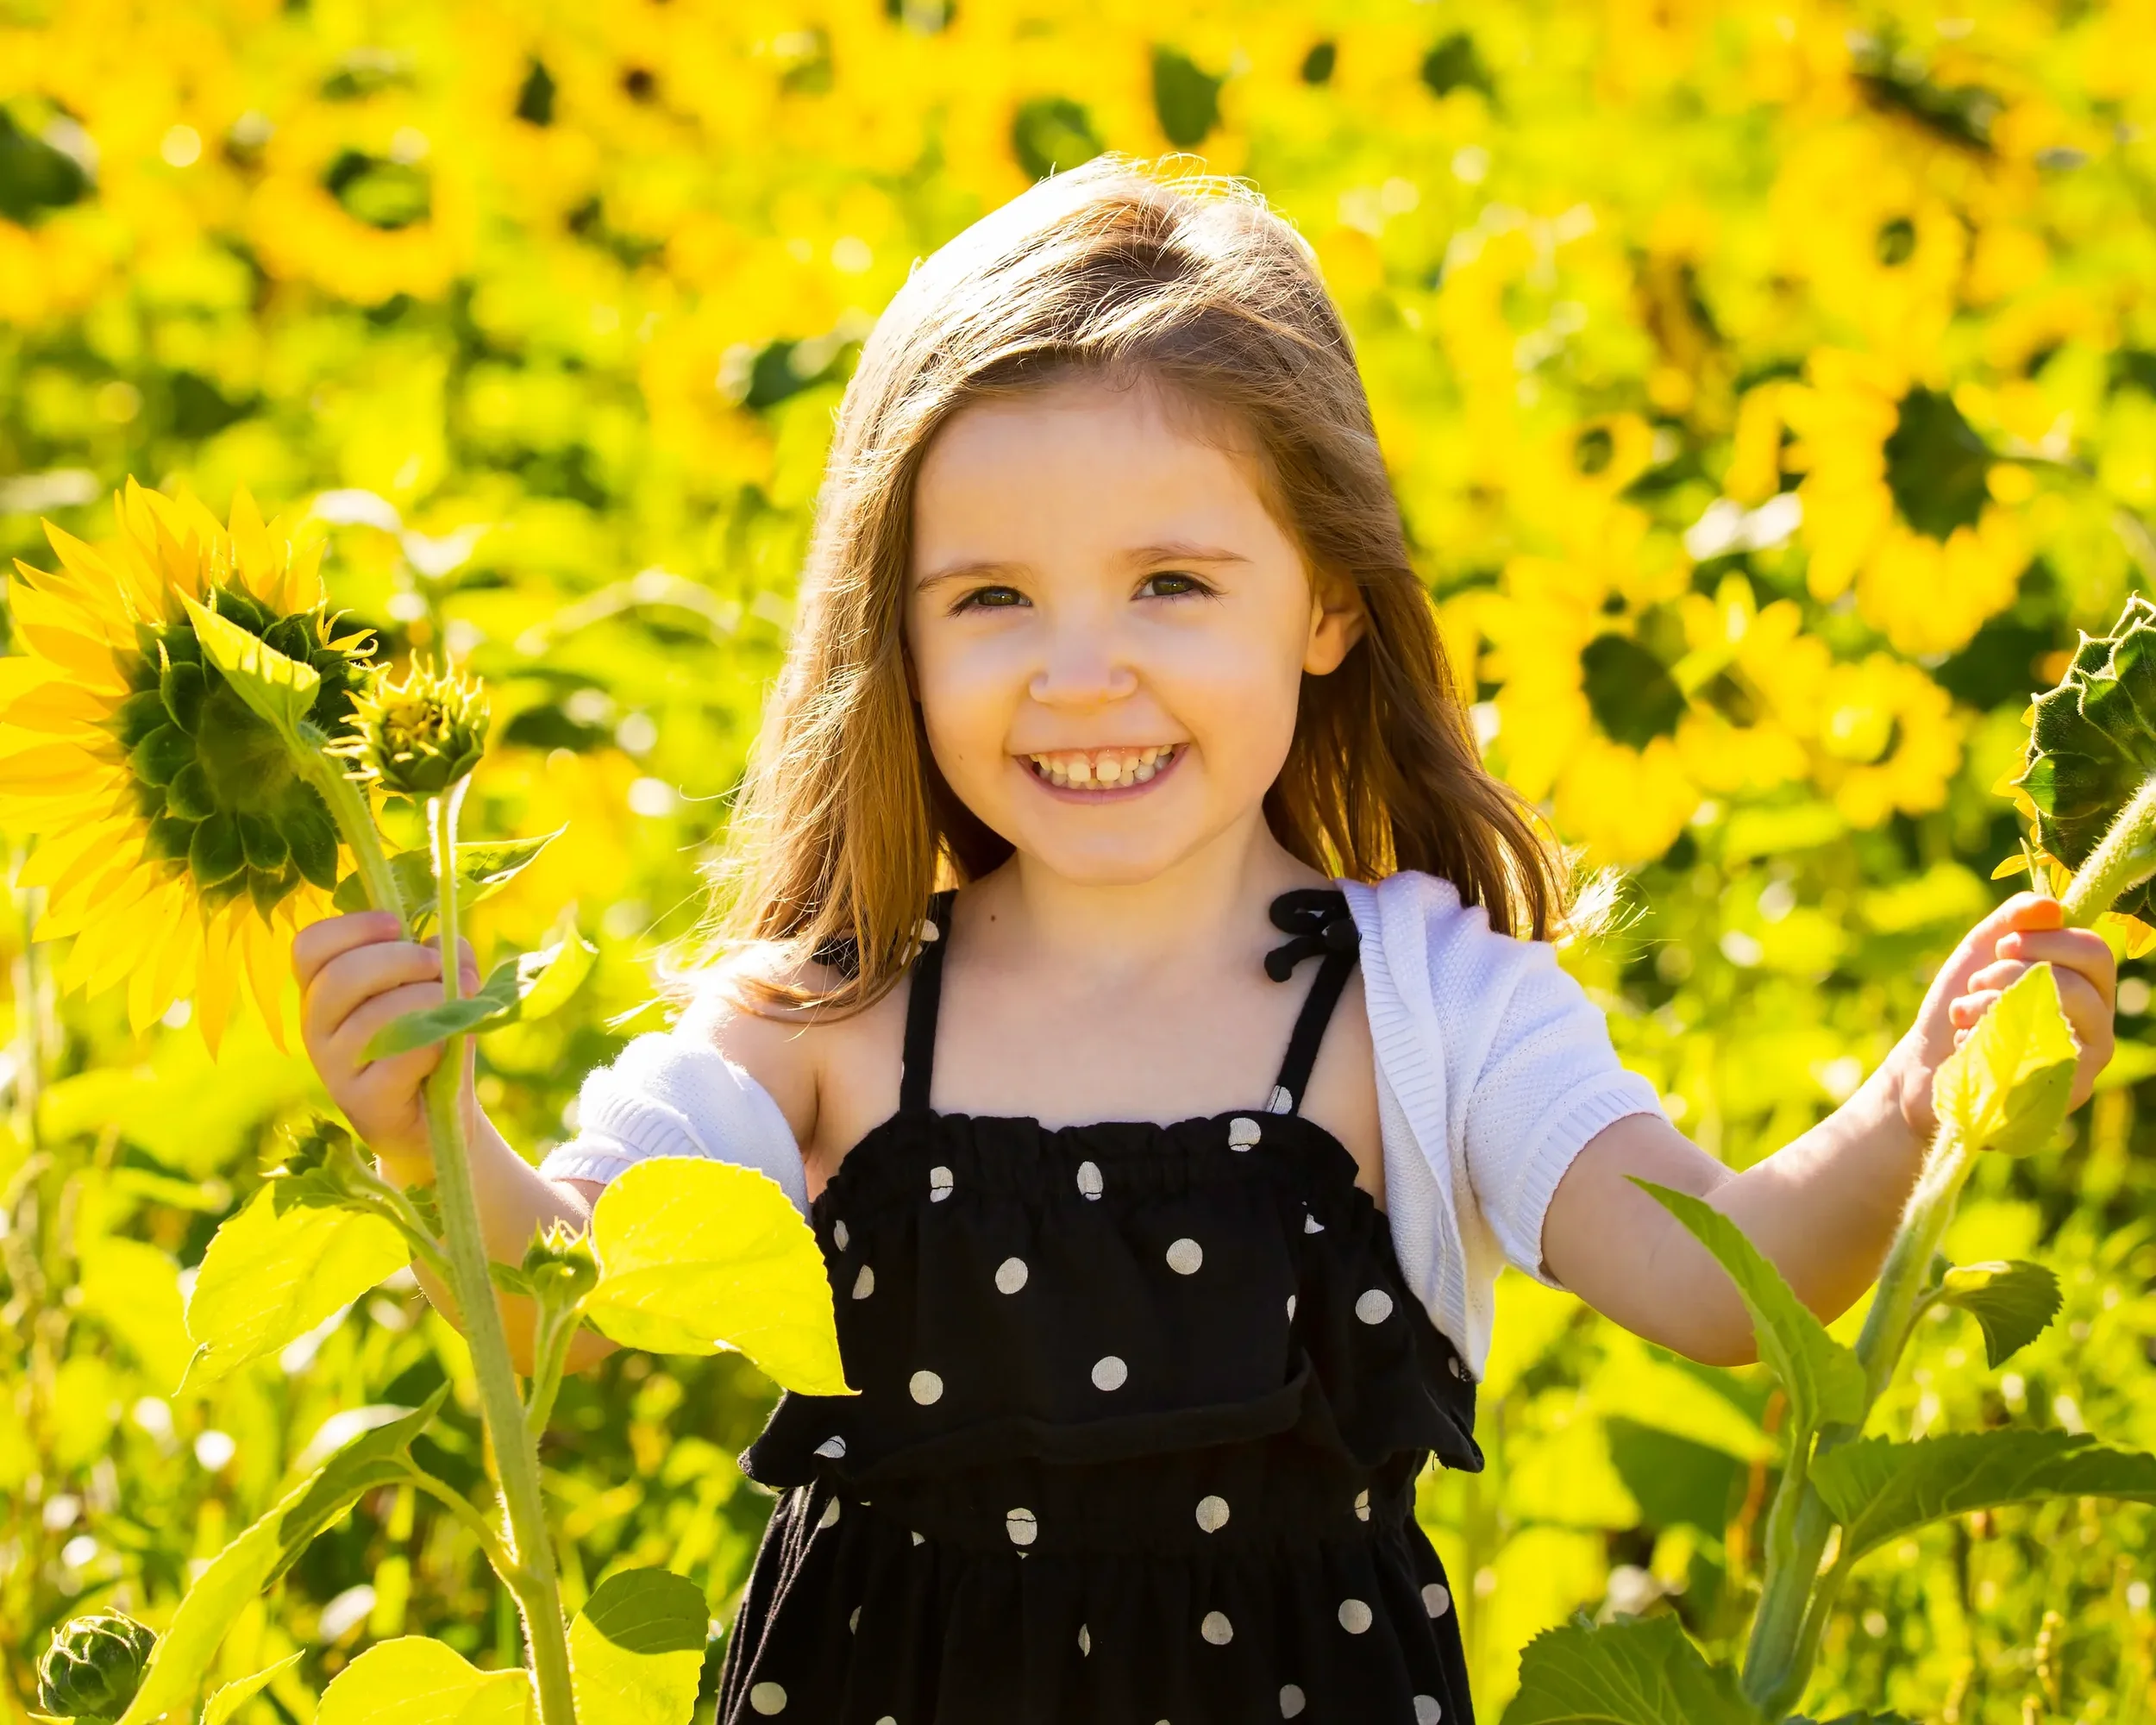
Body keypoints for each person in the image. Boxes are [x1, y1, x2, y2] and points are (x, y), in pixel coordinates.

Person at [292, 156, 2117, 1725]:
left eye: (1168, 581)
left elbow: (1720, 1284)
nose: (1081, 671)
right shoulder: (834, 1006)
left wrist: (1916, 1100)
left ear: (1325, 600)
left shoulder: (1418, 998)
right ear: (895, 637)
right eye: (992, 597)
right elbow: (573, 1305)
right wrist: (430, 1135)